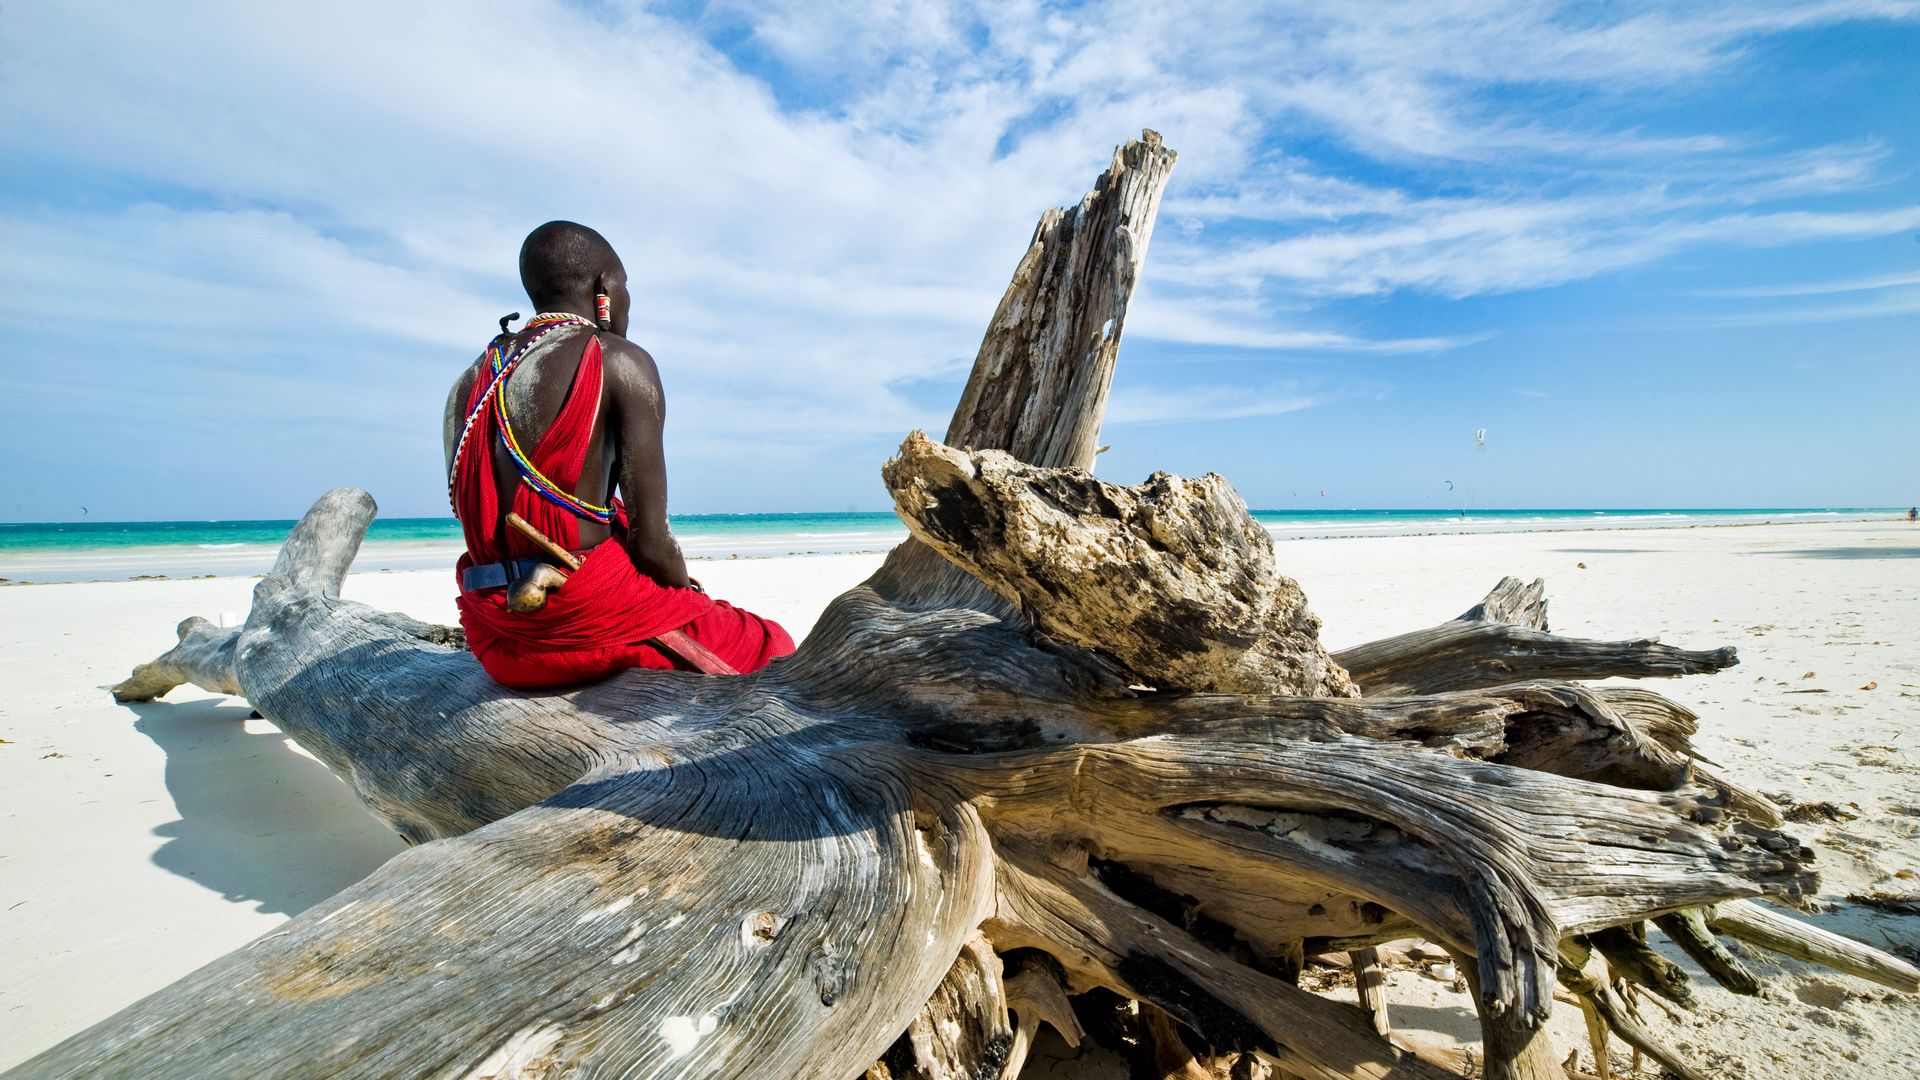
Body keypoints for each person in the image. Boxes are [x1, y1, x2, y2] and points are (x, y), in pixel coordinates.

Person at [443, 221, 794, 689]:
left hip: (496, 635)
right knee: (772, 644)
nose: (627, 300)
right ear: (604, 289)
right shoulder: (617, 359)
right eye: (625, 287)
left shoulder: (469, 382)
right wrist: (685, 591)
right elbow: (653, 544)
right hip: (578, 627)